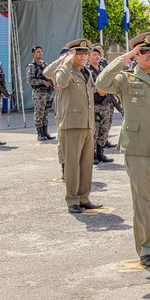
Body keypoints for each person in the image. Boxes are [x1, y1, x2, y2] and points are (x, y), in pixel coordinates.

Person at [96, 32, 150, 268]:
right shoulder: (126, 79)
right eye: (144, 52)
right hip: (139, 150)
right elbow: (101, 83)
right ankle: (146, 248)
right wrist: (124, 58)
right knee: (143, 201)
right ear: (136, 55)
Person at [53, 39, 101, 214]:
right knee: (72, 165)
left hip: (87, 124)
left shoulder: (87, 72)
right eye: (78, 53)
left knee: (86, 164)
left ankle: (84, 197)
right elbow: (62, 83)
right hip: (71, 125)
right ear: (72, 55)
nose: (82, 56)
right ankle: (72, 199)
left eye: (85, 53)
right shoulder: (65, 71)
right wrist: (65, 62)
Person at [43, 47, 70, 177]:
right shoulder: (57, 70)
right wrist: (61, 60)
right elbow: (46, 73)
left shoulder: (78, 69)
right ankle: (65, 167)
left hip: (79, 110)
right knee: (63, 139)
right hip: (62, 107)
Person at [88, 46, 114, 164]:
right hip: (94, 104)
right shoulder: (87, 71)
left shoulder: (103, 70)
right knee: (94, 130)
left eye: (98, 55)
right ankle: (92, 155)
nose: (97, 57)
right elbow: (86, 86)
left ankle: (100, 153)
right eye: (94, 54)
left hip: (105, 104)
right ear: (89, 57)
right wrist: (97, 89)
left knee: (104, 129)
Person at [26, 45, 55, 141]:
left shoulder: (44, 64)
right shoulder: (31, 66)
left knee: (46, 113)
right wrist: (43, 82)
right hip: (39, 92)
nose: (40, 53)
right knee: (39, 113)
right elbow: (30, 80)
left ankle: (45, 132)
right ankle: (40, 133)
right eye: (38, 52)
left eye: (41, 51)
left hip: (47, 92)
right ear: (33, 54)